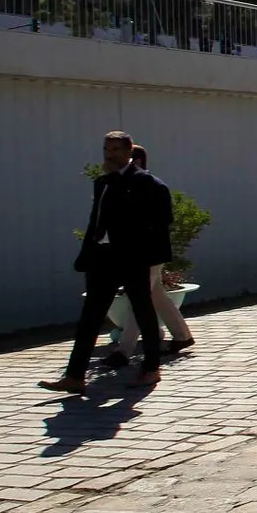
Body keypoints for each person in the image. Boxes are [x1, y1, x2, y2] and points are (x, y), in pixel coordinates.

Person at [41, 131, 172, 393]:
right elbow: (96, 218)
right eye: (106, 149)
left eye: (115, 150)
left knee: (143, 311)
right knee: (90, 316)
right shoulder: (102, 182)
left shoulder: (147, 183)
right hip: (103, 257)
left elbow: (160, 220)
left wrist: (141, 249)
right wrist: (89, 250)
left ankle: (151, 368)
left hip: (132, 257)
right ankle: (75, 375)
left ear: (129, 153)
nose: (109, 155)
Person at [105, 144, 194, 366]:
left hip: (148, 252)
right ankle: (182, 336)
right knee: (155, 295)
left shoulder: (150, 185)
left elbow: (163, 219)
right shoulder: (117, 185)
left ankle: (124, 350)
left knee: (141, 297)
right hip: (134, 252)